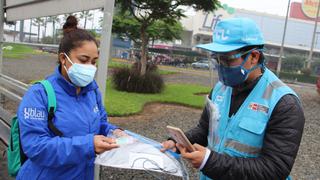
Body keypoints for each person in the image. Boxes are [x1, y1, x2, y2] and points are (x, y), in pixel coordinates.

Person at [161, 17, 305, 180]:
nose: (221, 65)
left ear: (254, 57)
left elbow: (274, 169)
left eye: (228, 59)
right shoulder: (219, 89)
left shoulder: (284, 103)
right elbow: (204, 129)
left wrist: (210, 162)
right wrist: (177, 143)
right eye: (218, 58)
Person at [16, 16, 124, 179]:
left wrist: (113, 131)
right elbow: (36, 147)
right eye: (83, 60)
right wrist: (88, 145)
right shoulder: (39, 94)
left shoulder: (92, 92)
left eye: (94, 61)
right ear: (63, 59)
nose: (90, 67)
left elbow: (100, 123)